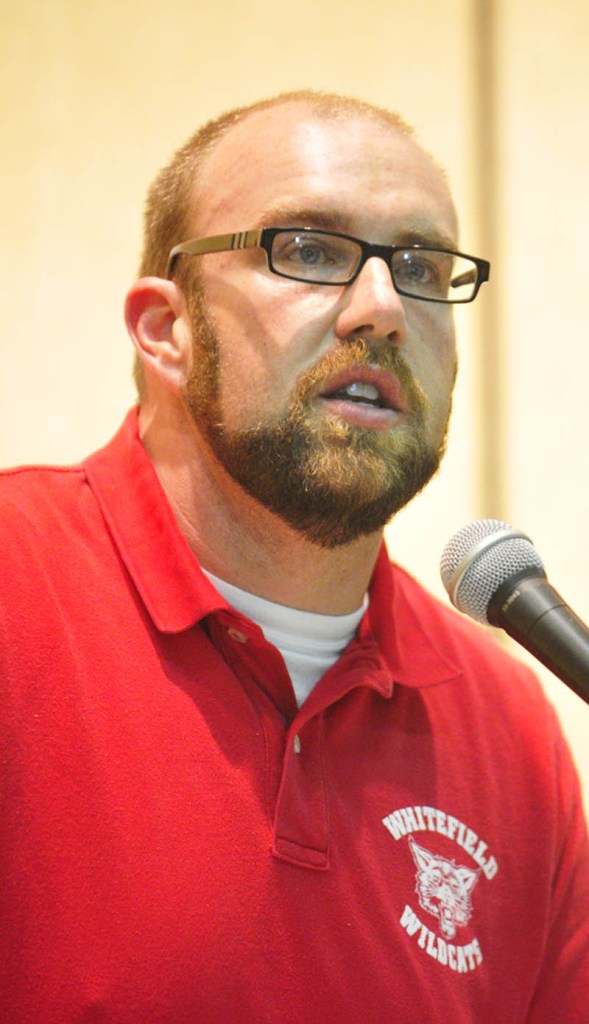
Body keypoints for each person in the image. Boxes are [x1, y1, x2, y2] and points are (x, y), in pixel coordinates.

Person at [0, 90, 587, 1023]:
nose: (384, 310)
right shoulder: (17, 584)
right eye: (311, 252)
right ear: (166, 329)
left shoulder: (509, 726)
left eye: (424, 266)